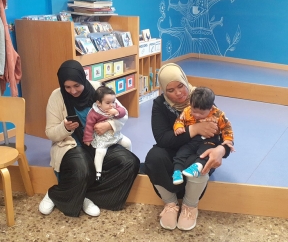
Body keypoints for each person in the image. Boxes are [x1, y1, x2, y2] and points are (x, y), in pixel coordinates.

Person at [39, 60, 140, 217]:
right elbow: (50, 133)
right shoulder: (56, 97)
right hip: (72, 145)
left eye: (77, 85)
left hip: (100, 142)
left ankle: (84, 196)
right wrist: (65, 128)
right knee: (83, 169)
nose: (73, 91)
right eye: (67, 87)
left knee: (130, 162)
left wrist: (109, 125)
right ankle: (55, 194)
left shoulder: (97, 89)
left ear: (82, 79)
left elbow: (122, 112)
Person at [144, 63, 232, 231]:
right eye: (170, 90)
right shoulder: (160, 104)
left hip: (199, 150)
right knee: (153, 158)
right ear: (163, 90)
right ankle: (170, 203)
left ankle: (190, 206)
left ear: (185, 81)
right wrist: (194, 129)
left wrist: (222, 150)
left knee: (200, 161)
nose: (178, 93)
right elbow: (162, 139)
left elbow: (223, 131)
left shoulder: (201, 97)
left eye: (180, 86)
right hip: (173, 149)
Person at [172, 86, 234, 185]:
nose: (196, 115)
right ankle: (177, 172)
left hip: (209, 140)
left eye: (201, 113)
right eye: (194, 111)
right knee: (181, 153)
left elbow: (227, 127)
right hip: (192, 139)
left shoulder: (218, 114)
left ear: (210, 108)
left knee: (205, 153)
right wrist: (178, 127)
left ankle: (197, 166)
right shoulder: (187, 111)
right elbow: (179, 120)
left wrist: (228, 140)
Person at [83, 85, 132, 181]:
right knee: (100, 152)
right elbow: (88, 127)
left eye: (113, 102)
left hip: (115, 134)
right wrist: (87, 139)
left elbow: (123, 112)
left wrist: (117, 111)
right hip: (102, 137)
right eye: (108, 103)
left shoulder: (114, 107)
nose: (112, 105)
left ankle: (130, 157)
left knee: (128, 142)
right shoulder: (94, 113)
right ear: (99, 103)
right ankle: (98, 173)